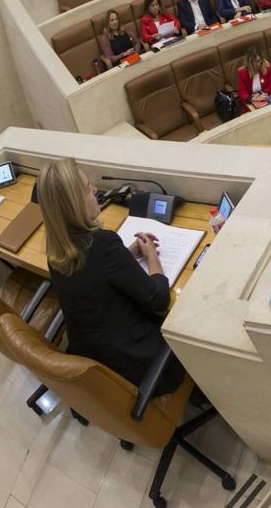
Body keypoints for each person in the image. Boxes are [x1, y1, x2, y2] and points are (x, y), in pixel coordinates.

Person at [41, 159, 184, 395]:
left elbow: (94, 273)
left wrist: (126, 254)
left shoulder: (57, 249)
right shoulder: (102, 243)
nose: (95, 190)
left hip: (99, 364)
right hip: (141, 365)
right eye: (88, 188)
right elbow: (159, 299)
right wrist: (151, 257)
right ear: (74, 203)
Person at [237, 45, 271, 112]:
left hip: (266, 99)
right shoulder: (242, 72)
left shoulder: (267, 67)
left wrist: (260, 94)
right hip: (250, 104)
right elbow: (242, 94)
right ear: (249, 62)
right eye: (256, 61)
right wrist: (254, 98)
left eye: (260, 60)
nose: (259, 64)